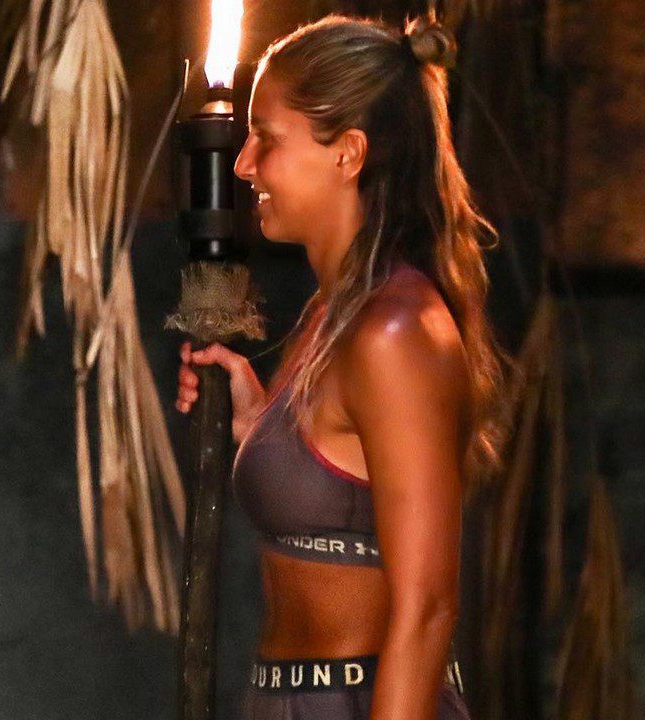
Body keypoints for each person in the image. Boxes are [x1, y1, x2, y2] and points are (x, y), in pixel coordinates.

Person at [176, 13, 507, 720]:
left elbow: (428, 606)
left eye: (267, 138)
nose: (243, 165)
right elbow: (341, 487)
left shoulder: (395, 330)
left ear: (348, 153)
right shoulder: (334, 314)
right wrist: (262, 427)